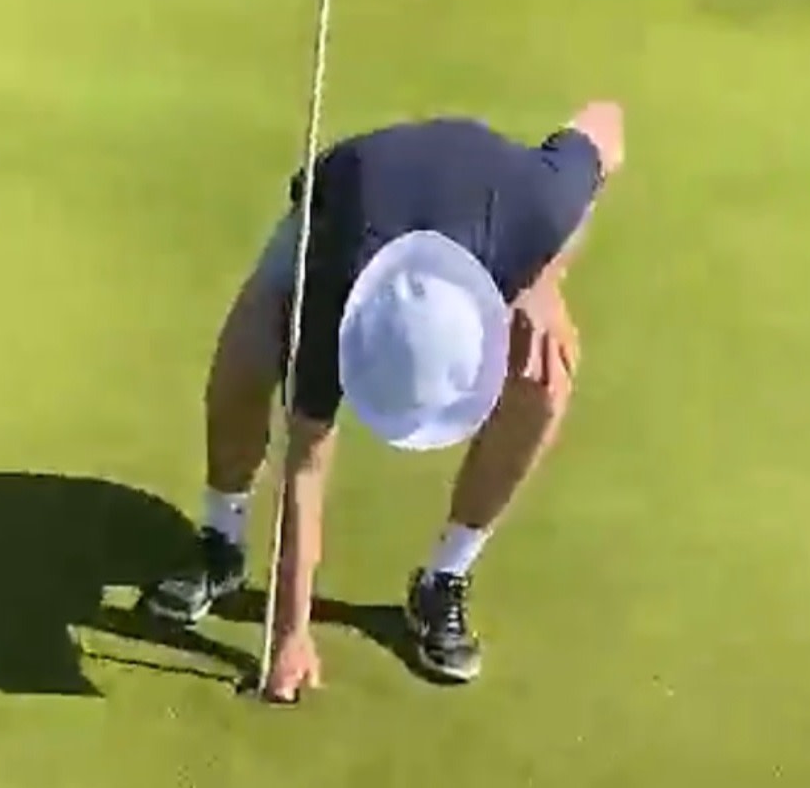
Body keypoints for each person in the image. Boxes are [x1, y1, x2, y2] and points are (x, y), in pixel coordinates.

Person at [145, 104, 625, 702]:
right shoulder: (334, 296)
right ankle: (221, 540)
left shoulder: (541, 204)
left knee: (547, 378)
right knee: (245, 361)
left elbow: (608, 124)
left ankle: (443, 578)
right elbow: (308, 460)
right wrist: (290, 634)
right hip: (339, 211)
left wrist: (545, 275)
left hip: (490, 216)